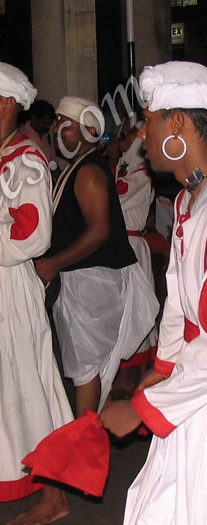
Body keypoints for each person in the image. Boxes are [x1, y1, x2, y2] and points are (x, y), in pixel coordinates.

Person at [0, 60, 73, 525]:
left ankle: (53, 493)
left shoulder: (26, 160)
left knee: (29, 388)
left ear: (7, 103)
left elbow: (33, 234)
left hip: (10, 289)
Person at [99, 60, 207, 525]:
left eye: (149, 120)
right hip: (189, 387)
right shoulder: (188, 200)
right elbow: (179, 310)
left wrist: (145, 407)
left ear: (177, 123)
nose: (142, 133)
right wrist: (160, 370)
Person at [35, 96, 157, 416]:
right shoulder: (77, 167)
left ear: (89, 130)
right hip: (81, 279)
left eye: (67, 125)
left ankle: (84, 436)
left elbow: (99, 231)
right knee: (87, 367)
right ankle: (87, 433)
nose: (58, 130)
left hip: (91, 282)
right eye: (57, 123)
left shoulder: (88, 171)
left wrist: (53, 264)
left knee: (87, 368)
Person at [112, 120, 159, 394]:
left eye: (129, 134)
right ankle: (129, 373)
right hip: (123, 245)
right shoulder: (127, 169)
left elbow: (115, 193)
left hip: (132, 247)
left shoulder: (140, 174)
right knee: (124, 310)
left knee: (135, 309)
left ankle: (134, 374)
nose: (124, 139)